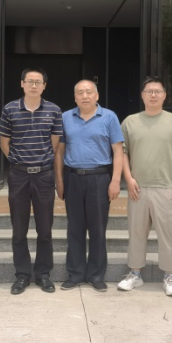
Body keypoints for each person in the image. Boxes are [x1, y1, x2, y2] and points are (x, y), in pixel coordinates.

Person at [118, 76, 172, 297]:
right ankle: (135, 274)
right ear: (142, 95)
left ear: (164, 95)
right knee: (136, 233)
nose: (153, 95)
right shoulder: (130, 122)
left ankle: (169, 276)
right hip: (137, 187)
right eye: (148, 91)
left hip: (165, 186)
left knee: (167, 234)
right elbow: (122, 153)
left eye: (157, 91)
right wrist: (128, 178)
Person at [0, 67, 63, 295]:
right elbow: (4, 142)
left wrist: (42, 161)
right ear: (22, 84)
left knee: (45, 229)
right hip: (19, 175)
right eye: (30, 81)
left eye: (38, 82)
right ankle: (22, 275)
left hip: (44, 175)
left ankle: (43, 274)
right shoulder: (10, 109)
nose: (34, 85)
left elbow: (55, 142)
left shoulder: (54, 110)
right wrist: (17, 161)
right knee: (19, 229)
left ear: (44, 86)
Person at [56, 79, 124, 292]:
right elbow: (59, 151)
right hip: (73, 178)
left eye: (89, 92)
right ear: (75, 97)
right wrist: (59, 180)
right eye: (80, 92)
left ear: (97, 95)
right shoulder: (65, 117)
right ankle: (75, 273)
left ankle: (96, 275)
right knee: (74, 229)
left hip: (99, 178)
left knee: (98, 229)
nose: (85, 96)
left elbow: (118, 151)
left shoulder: (109, 117)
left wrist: (115, 181)